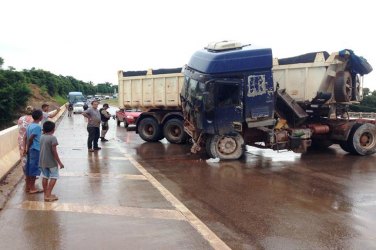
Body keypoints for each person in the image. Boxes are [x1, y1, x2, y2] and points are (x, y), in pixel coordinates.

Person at [39, 121, 64, 202]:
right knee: (54, 176)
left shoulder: (41, 137)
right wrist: (59, 162)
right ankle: (48, 195)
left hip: (42, 161)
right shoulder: (53, 138)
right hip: (51, 162)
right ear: (53, 129)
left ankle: (46, 194)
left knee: (45, 176)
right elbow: (54, 151)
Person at [25, 109, 43, 194]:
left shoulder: (30, 125)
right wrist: (28, 146)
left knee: (29, 168)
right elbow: (31, 138)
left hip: (31, 149)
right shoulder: (37, 126)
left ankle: (28, 187)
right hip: (35, 149)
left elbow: (26, 137)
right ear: (40, 117)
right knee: (34, 168)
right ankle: (32, 188)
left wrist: (27, 148)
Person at [17, 106, 34, 192]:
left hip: (21, 141)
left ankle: (26, 177)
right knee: (32, 160)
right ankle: (31, 178)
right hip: (30, 142)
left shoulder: (20, 119)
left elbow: (19, 129)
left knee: (23, 159)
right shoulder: (34, 120)